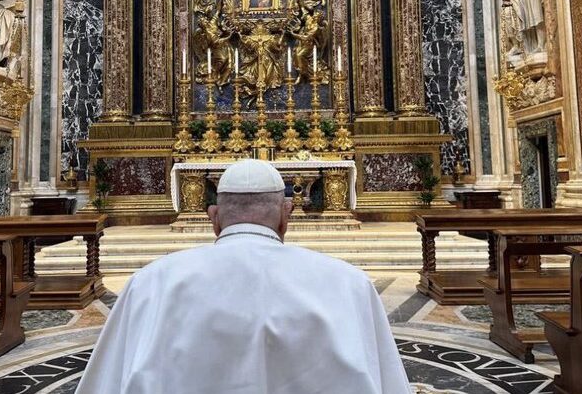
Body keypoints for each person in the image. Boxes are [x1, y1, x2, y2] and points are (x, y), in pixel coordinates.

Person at [76, 159, 413, 394]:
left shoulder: (149, 285)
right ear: (286, 215)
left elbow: (103, 385)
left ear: (214, 217)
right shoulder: (350, 285)